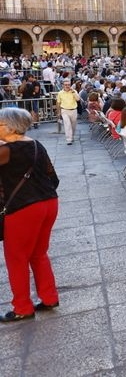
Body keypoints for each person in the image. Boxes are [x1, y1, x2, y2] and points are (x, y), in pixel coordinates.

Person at [0, 108, 60, 322]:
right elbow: (54, 178)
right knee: (38, 253)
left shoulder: (7, 151)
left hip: (24, 207)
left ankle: (22, 307)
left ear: (9, 126)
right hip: (49, 202)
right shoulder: (36, 145)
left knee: (16, 258)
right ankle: (49, 297)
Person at [55, 79, 81, 145]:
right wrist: (58, 112)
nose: (67, 86)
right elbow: (58, 103)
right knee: (67, 124)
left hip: (73, 110)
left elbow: (78, 99)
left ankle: (72, 136)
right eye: (66, 85)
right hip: (64, 110)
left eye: (68, 85)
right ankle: (69, 139)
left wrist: (73, 92)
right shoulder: (60, 93)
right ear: (63, 85)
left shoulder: (74, 91)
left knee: (73, 125)